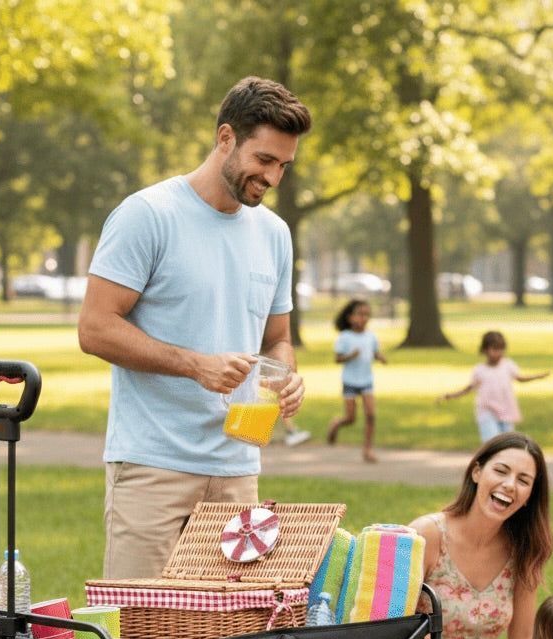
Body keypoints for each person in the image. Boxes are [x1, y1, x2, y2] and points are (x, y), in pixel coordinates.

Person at [77, 76, 312, 579]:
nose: (273, 178)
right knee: (141, 634)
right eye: (265, 160)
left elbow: (277, 338)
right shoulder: (149, 216)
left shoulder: (274, 234)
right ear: (225, 138)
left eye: (284, 166)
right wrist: (195, 365)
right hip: (152, 465)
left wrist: (286, 376)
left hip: (237, 469)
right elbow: (95, 328)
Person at [409, 432, 553, 639]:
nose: (509, 485)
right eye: (500, 471)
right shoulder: (427, 535)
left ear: (529, 495)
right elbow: (389, 625)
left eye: (523, 480)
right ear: (477, 472)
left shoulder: (524, 551)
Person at [438, 330, 547, 443]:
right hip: (487, 410)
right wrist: (449, 396)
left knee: (507, 443)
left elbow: (520, 378)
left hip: (506, 410)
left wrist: (537, 377)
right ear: (485, 350)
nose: (499, 353)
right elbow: (468, 389)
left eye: (501, 349)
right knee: (491, 442)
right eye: (495, 349)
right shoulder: (480, 370)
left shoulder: (508, 365)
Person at [326, 299, 387, 462]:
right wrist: (350, 356)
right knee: (351, 418)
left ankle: (367, 450)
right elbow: (338, 359)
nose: (364, 318)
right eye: (360, 314)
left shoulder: (371, 337)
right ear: (350, 317)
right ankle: (336, 424)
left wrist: (380, 357)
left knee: (371, 415)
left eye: (367, 314)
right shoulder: (345, 337)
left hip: (366, 381)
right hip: (350, 381)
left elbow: (374, 352)